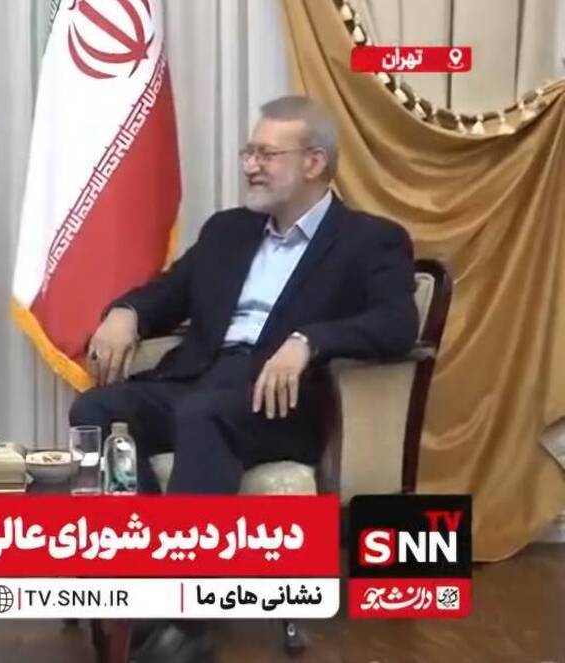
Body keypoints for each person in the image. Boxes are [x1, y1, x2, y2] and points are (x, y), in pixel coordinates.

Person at [70, 95, 419, 662]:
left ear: (314, 162)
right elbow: (169, 292)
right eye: (248, 153)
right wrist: (126, 313)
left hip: (278, 401)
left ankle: (184, 616)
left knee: (203, 414)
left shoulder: (369, 239)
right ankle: (148, 576)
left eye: (266, 154)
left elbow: (396, 324)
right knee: (96, 410)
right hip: (199, 377)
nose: (251, 166)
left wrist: (308, 342)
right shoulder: (228, 231)